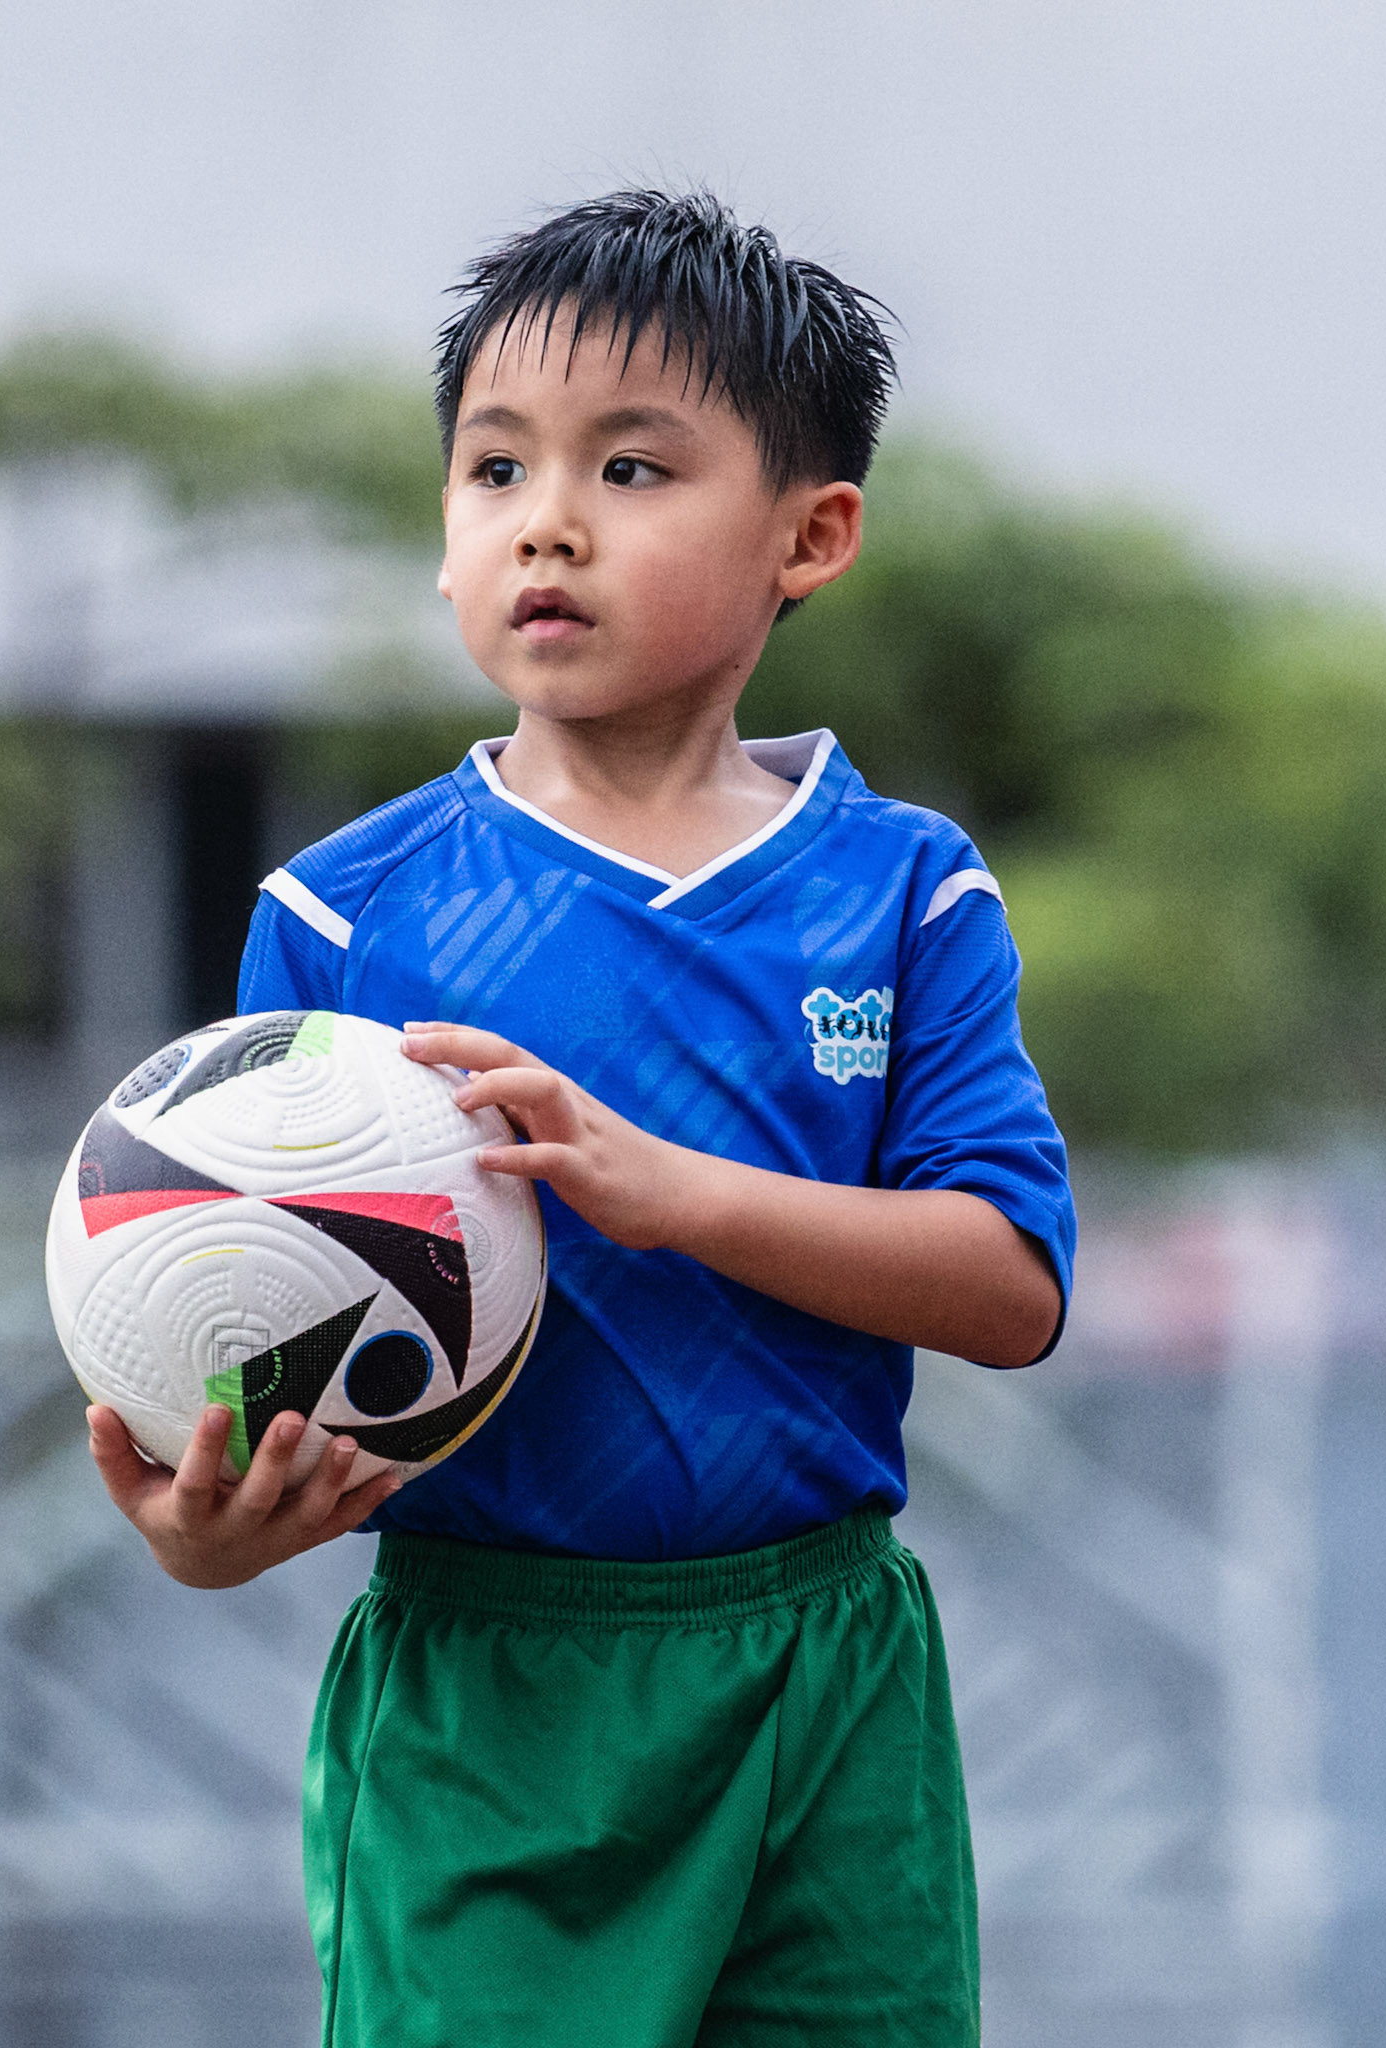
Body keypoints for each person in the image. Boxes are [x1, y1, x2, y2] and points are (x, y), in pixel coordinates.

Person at [89, 188, 1076, 2047]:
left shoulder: (904, 891)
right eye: (490, 471)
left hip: (825, 1676)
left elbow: (1010, 1283)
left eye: (631, 468)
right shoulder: (336, 920)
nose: (543, 520)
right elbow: (246, 1352)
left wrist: (665, 1190)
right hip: (493, 1691)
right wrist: (214, 1527)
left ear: (812, 533)